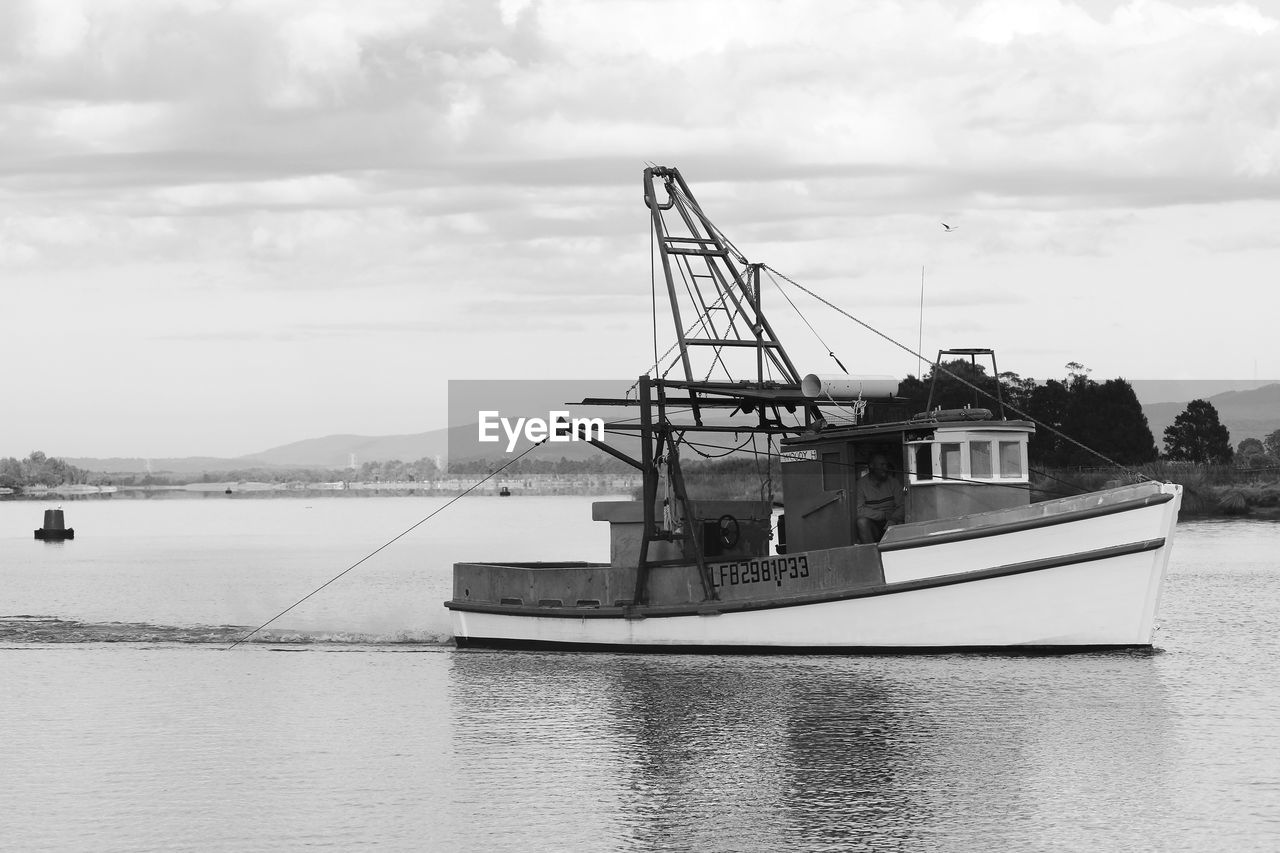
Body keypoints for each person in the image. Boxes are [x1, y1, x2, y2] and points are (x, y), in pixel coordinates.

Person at [855, 453, 904, 543]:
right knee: (861, 522)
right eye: (882, 465)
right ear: (871, 466)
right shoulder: (861, 485)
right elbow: (859, 510)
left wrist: (893, 519)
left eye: (886, 465)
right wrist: (883, 515)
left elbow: (902, 505)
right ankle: (871, 554)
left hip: (892, 521)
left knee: (900, 524)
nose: (885, 468)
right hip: (873, 524)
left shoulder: (893, 482)